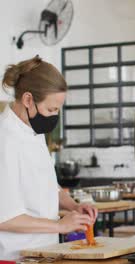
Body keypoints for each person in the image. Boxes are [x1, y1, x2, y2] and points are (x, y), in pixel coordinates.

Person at [0, 55, 97, 260]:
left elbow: (47, 186)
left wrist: (74, 206)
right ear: (28, 99)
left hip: (43, 252)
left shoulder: (34, 130)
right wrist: (60, 225)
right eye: (51, 109)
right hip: (14, 256)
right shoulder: (5, 139)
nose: (54, 116)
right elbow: (5, 218)